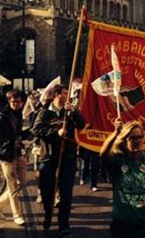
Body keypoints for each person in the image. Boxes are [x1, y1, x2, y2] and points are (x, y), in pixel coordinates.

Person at [32, 84, 85, 237]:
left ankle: (64, 225)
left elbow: (81, 125)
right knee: (47, 190)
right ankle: (48, 213)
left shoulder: (70, 112)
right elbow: (36, 130)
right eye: (64, 93)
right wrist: (56, 132)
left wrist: (74, 112)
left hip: (67, 157)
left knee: (66, 192)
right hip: (48, 157)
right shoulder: (44, 112)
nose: (67, 95)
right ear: (56, 95)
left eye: (68, 93)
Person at [100, 119, 145, 238]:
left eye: (140, 137)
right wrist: (115, 132)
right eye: (133, 138)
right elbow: (103, 153)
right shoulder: (118, 160)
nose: (138, 141)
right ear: (125, 141)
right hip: (122, 224)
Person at [0, 94, 26, 226]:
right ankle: (18, 215)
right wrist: (10, 145)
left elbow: (17, 133)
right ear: (9, 102)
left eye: (18, 101)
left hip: (16, 152)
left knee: (21, 183)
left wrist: (24, 136)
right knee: (12, 184)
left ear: (22, 102)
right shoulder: (2, 116)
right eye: (13, 101)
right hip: (7, 155)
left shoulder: (18, 114)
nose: (16, 104)